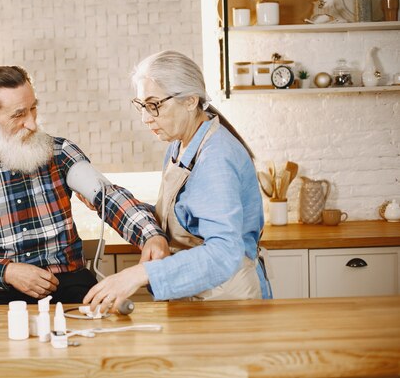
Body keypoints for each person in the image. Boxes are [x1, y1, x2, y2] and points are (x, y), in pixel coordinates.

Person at [0, 65, 169, 305]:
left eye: (33, 109)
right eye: (19, 115)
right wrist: (7, 272)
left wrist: (150, 235)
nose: (32, 124)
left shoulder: (61, 152)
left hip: (68, 285)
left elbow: (108, 197)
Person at [84, 50, 272, 311]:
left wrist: (139, 274)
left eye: (154, 105)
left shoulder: (216, 156)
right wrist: (107, 200)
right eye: (142, 106)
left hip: (228, 300)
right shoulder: (179, 146)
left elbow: (223, 252)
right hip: (197, 294)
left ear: (190, 101)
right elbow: (182, 217)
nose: (146, 118)